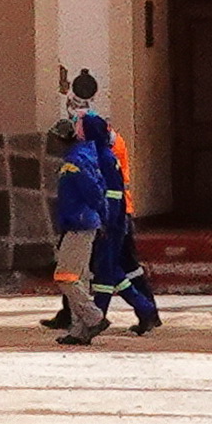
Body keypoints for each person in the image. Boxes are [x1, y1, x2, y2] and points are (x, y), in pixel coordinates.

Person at [49, 72, 160, 342]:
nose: (76, 127)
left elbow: (106, 192)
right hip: (106, 218)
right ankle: (139, 311)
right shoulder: (99, 149)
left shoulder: (98, 155)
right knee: (111, 271)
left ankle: (96, 319)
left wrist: (107, 221)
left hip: (110, 219)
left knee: (105, 271)